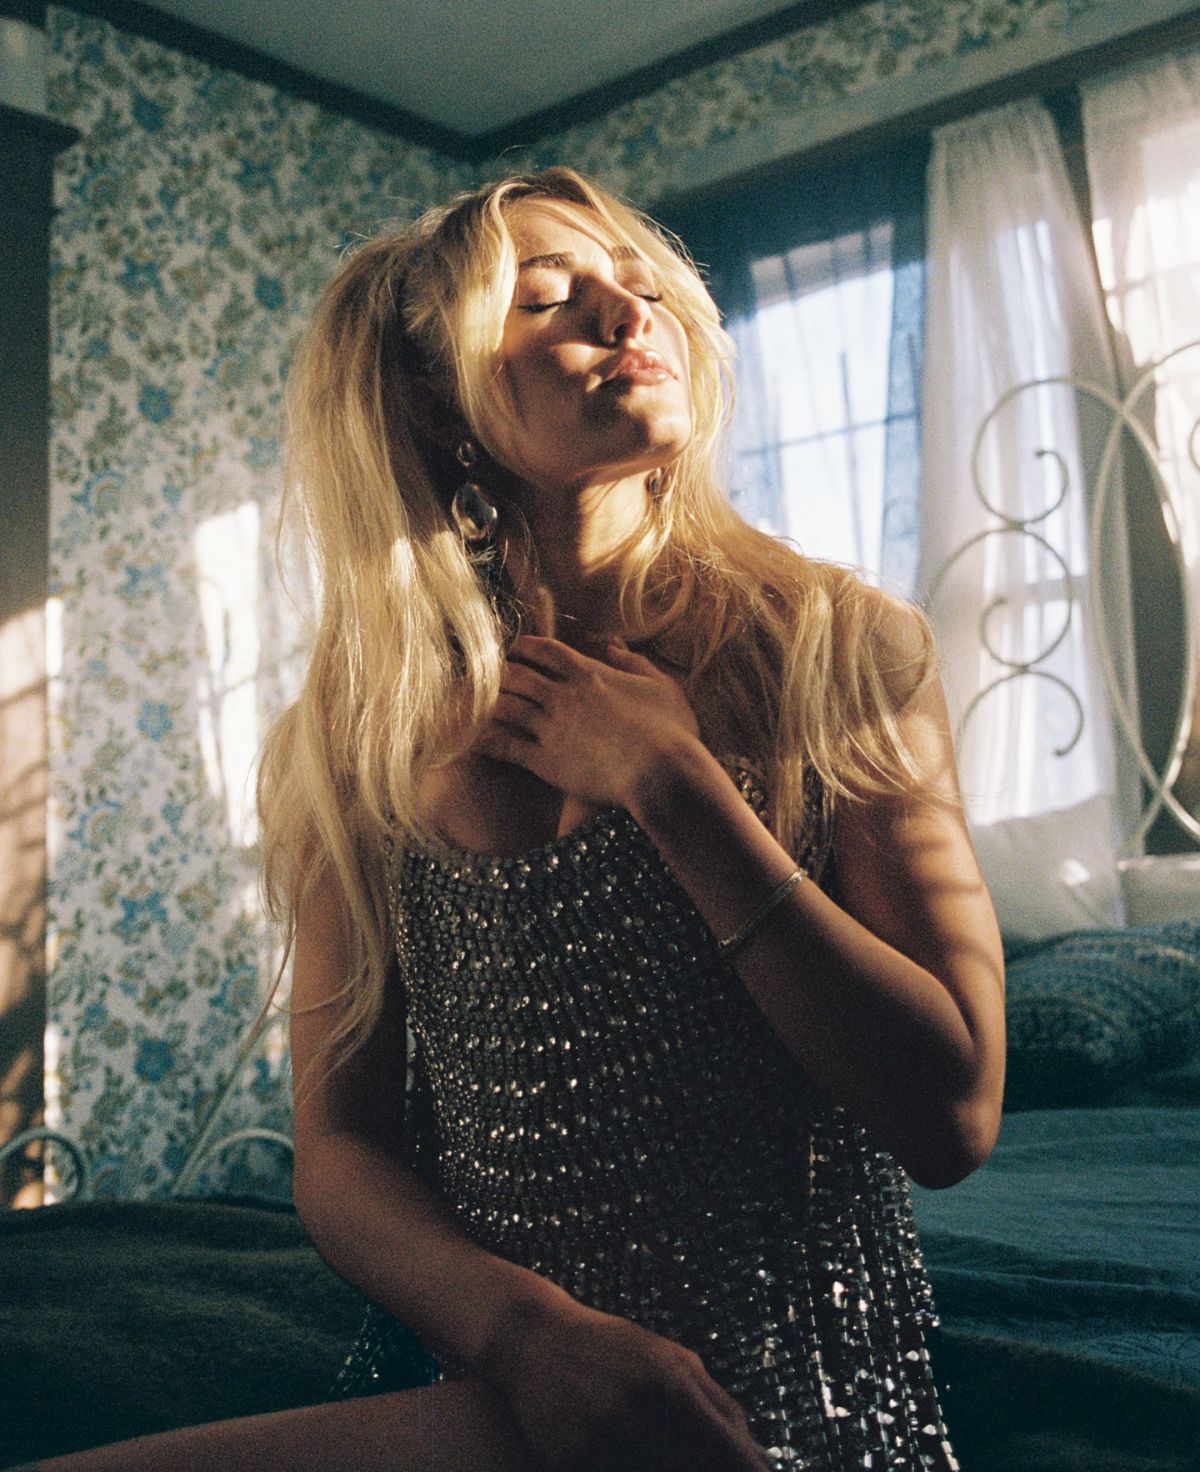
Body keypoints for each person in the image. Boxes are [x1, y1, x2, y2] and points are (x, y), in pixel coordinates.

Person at [30, 167, 1005, 1472]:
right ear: (441, 403)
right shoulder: (356, 735)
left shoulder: (838, 647)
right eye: (550, 299)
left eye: (643, 287)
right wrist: (526, 1334)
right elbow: (341, 1143)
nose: (629, 313)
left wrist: (677, 789)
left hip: (782, 1398)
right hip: (499, 1370)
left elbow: (953, 1116)